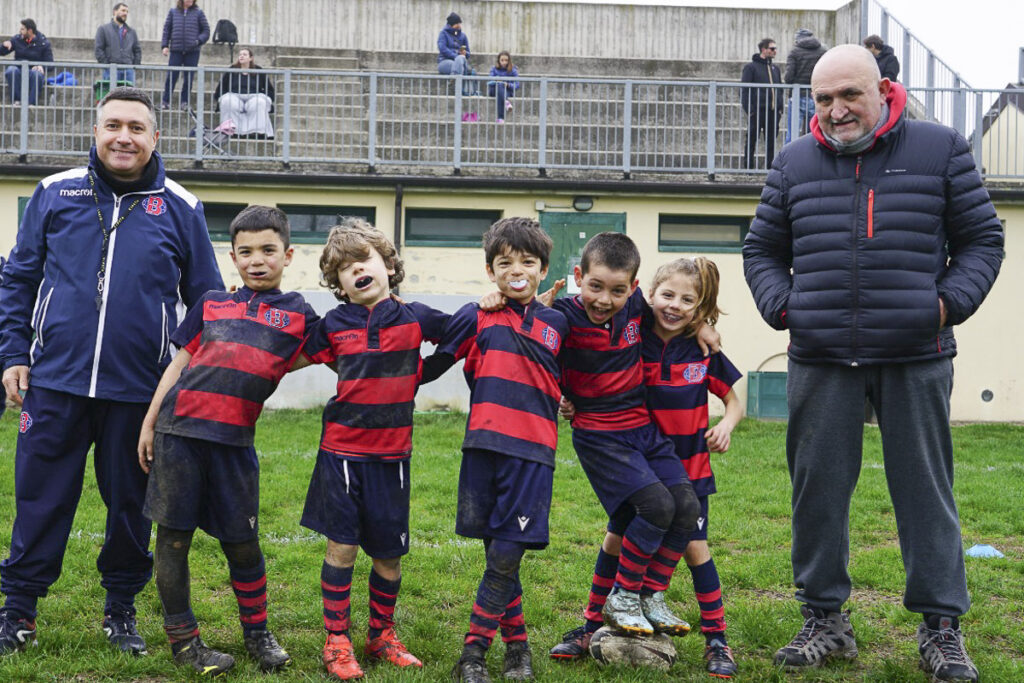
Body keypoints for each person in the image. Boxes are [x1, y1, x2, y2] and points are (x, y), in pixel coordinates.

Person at [743, 45, 1004, 683]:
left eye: (848, 96)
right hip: (822, 356)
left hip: (916, 354)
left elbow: (982, 241)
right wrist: (786, 310)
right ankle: (824, 620)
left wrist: (943, 308)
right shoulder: (793, 162)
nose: (835, 110)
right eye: (823, 99)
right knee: (818, 495)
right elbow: (761, 250)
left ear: (883, 90)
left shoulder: (940, 148)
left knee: (925, 495)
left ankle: (940, 629)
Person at [0, 86, 223, 657]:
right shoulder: (53, 193)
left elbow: (205, 305)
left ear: (155, 138)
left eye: (136, 128)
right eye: (113, 126)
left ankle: (120, 611)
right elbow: (19, 279)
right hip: (54, 382)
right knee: (40, 499)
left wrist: (190, 384)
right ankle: (17, 612)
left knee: (130, 506)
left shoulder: (182, 206)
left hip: (139, 395)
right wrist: (13, 354)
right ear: (95, 133)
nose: (123, 137)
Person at [137, 205, 313, 675]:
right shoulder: (213, 301)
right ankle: (185, 643)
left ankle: (257, 634)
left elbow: (338, 347)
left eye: (268, 250)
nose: (257, 260)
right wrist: (150, 422)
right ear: (232, 256)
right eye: (246, 252)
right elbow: (179, 364)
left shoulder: (299, 315)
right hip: (178, 434)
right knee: (172, 540)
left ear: (288, 254)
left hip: (234, 443)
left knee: (243, 543)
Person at [300, 219, 449, 681]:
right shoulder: (332, 325)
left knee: (388, 552)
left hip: (393, 457)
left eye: (364, 260)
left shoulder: (416, 316)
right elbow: (294, 350)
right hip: (341, 453)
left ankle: (381, 634)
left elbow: (466, 335)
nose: (356, 271)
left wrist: (419, 373)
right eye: (344, 269)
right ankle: (337, 639)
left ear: (387, 264)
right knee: (341, 547)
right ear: (338, 284)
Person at [422, 218, 569, 683]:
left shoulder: (559, 322)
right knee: (498, 555)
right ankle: (519, 650)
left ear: (544, 269)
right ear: (490, 270)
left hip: (534, 453)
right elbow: (429, 369)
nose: (516, 270)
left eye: (527, 262)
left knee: (507, 553)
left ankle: (473, 653)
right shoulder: (476, 314)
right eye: (505, 262)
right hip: (484, 447)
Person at [546, 234, 704, 659]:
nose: (604, 299)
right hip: (600, 433)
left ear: (634, 289)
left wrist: (701, 322)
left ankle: (650, 595)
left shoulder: (637, 307)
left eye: (618, 290)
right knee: (656, 507)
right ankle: (622, 598)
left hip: (642, 428)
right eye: (595, 286)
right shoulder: (563, 316)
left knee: (686, 507)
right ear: (578, 277)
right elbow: (524, 326)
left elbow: (675, 309)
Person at [639, 258, 742, 678]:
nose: (675, 305)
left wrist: (727, 425)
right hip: (641, 472)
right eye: (668, 295)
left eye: (688, 300)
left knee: (694, 548)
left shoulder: (703, 350)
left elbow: (734, 401)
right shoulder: (633, 339)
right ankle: (596, 623)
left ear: (699, 309)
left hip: (692, 471)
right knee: (621, 541)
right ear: (650, 295)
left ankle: (717, 638)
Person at [213, 47, 275, 138]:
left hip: (254, 96)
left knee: (259, 102)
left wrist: (267, 98)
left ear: (251, 58)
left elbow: (269, 89)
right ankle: (231, 131)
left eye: (244, 54)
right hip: (234, 96)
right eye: (240, 54)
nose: (241, 56)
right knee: (228, 101)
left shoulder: (258, 70)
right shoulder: (232, 69)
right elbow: (222, 87)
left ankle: (257, 132)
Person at [160, 0, 210, 110]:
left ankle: (185, 102)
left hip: (192, 52)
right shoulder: (173, 12)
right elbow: (166, 30)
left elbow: (206, 31)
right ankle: (165, 101)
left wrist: (198, 41)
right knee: (171, 77)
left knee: (188, 78)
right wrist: (165, 45)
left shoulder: (199, 13)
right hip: (176, 50)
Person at [741, 38, 782, 170]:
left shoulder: (775, 69)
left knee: (771, 142)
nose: (775, 51)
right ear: (764, 50)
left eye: (775, 48)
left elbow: (779, 89)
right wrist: (750, 110)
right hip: (757, 111)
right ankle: (748, 168)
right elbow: (744, 90)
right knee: (752, 140)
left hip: (772, 111)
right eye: (772, 48)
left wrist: (779, 109)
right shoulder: (750, 67)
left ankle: (770, 169)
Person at [784, 28, 826, 138]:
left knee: (792, 133)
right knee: (814, 133)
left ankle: (791, 155)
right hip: (816, 96)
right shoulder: (823, 51)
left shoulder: (794, 52)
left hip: (798, 96)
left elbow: (788, 77)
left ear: (797, 39)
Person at [1, 18, 53, 105]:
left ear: (30, 31)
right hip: (18, 68)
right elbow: (2, 52)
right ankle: (16, 101)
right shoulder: (17, 39)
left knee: (37, 75)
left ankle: (31, 104)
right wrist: (3, 45)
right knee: (11, 71)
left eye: (22, 29)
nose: (20, 31)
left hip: (33, 70)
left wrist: (41, 66)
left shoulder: (44, 43)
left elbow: (50, 64)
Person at [95, 3, 141, 86]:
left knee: (129, 97)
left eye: (127, 11)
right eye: (123, 10)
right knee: (111, 96)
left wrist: (134, 67)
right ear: (114, 12)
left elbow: (137, 50)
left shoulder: (131, 32)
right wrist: (107, 65)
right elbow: (98, 49)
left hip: (128, 71)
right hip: (111, 70)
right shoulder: (103, 29)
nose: (125, 13)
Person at [438, 11, 479, 101]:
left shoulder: (463, 36)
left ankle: (454, 82)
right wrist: (456, 56)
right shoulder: (443, 34)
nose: (459, 25)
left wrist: (465, 53)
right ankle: (455, 85)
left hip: (461, 62)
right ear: (451, 24)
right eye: (457, 23)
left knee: (466, 65)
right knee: (459, 61)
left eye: (459, 23)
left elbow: (468, 53)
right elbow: (443, 49)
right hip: (445, 62)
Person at [488, 51, 519, 123]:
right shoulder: (494, 69)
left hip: (507, 91)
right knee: (499, 84)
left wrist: (508, 85)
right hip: (494, 90)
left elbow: (517, 85)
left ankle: (500, 118)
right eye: (502, 60)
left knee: (501, 86)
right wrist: (496, 80)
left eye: (506, 60)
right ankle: (506, 102)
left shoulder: (513, 70)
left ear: (509, 61)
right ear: (499, 60)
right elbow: (490, 81)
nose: (504, 62)